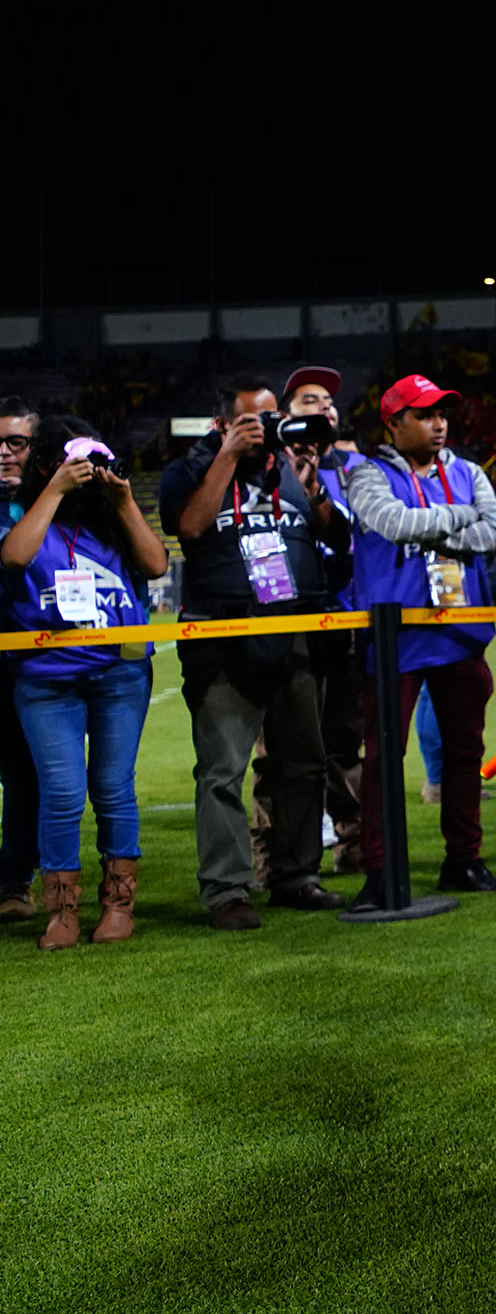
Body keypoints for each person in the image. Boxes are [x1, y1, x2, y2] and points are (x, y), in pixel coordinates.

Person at [161, 372, 353, 928]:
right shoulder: (189, 469)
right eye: (252, 420)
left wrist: (312, 486)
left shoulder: (290, 469)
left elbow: (337, 538)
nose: (266, 430)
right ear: (222, 423)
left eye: (270, 418)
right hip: (223, 637)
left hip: (294, 631)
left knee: (304, 764)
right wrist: (226, 457)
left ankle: (296, 877)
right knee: (222, 770)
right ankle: (227, 891)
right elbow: (192, 528)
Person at [3, 419, 169, 948]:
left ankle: (119, 904)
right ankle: (62, 911)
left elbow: (156, 563)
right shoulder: (27, 516)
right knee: (62, 792)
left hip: (119, 671)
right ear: (48, 466)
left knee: (113, 788)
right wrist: (54, 488)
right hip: (47, 678)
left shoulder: (112, 520)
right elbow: (14, 557)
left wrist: (121, 499)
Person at [342, 374, 496, 902]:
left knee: (465, 754)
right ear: (393, 423)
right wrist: (458, 517)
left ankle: (464, 860)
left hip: (459, 631)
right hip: (395, 637)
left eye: (442, 414)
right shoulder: (366, 475)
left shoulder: (469, 470)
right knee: (383, 759)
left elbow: (492, 533)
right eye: (424, 414)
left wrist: (430, 522)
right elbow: (391, 523)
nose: (439, 424)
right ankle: (381, 870)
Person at [282, 365, 367, 867]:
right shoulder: (269, 471)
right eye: (310, 400)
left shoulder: (360, 470)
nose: (324, 407)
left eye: (329, 401)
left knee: (345, 742)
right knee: (286, 749)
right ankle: (285, 856)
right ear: (285, 415)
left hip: (348, 624)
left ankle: (354, 844)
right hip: (289, 624)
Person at [0, 397, 36, 919]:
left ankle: (13, 884)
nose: (4, 454)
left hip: (28, 663)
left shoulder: (53, 502)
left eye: (17, 443)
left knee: (25, 777)